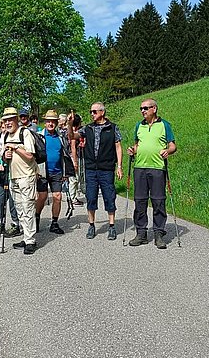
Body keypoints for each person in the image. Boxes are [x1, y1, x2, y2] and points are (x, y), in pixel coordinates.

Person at [67, 103, 123, 241]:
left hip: (107, 168)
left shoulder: (113, 127)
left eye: (94, 111)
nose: (92, 114)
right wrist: (69, 124)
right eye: (90, 111)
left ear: (102, 112)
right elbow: (72, 136)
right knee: (91, 197)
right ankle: (91, 225)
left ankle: (111, 226)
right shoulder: (88, 128)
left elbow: (118, 147)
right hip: (91, 168)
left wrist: (119, 166)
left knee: (109, 197)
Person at [127, 98, 177, 249]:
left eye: (146, 108)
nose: (143, 111)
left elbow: (173, 145)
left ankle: (158, 234)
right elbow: (137, 145)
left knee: (158, 201)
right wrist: (132, 150)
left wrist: (168, 151)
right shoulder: (139, 126)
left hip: (157, 168)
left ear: (154, 109)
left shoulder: (164, 125)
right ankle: (141, 233)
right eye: (141, 108)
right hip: (140, 167)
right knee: (140, 201)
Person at [2, 106, 38, 254]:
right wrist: (6, 156)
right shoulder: (6, 136)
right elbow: (4, 158)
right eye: (6, 120)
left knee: (28, 208)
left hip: (27, 176)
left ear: (16, 119)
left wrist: (15, 148)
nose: (8, 123)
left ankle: (30, 241)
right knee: (20, 209)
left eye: (11, 119)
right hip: (14, 177)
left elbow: (30, 156)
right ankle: (25, 236)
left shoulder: (25, 133)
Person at [35, 109, 73, 235]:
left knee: (57, 197)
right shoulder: (39, 136)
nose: (50, 124)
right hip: (42, 171)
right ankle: (36, 217)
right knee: (42, 197)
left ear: (56, 123)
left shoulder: (60, 137)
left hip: (57, 172)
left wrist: (66, 173)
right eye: (48, 121)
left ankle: (54, 223)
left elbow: (66, 155)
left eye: (53, 121)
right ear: (45, 122)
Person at [0, 118, 20, 237]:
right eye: (1, 126)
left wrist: (4, 166)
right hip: (3, 173)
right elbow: (2, 152)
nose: (3, 128)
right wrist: (0, 164)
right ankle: (0, 223)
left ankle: (15, 224)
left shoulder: (14, 137)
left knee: (13, 202)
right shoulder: (2, 136)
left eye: (4, 126)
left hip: (13, 173)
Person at [67, 112, 84, 206]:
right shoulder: (73, 131)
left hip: (73, 156)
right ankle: (72, 198)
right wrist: (75, 162)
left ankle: (73, 196)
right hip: (73, 157)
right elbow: (73, 147)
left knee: (74, 178)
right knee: (74, 179)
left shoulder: (72, 130)